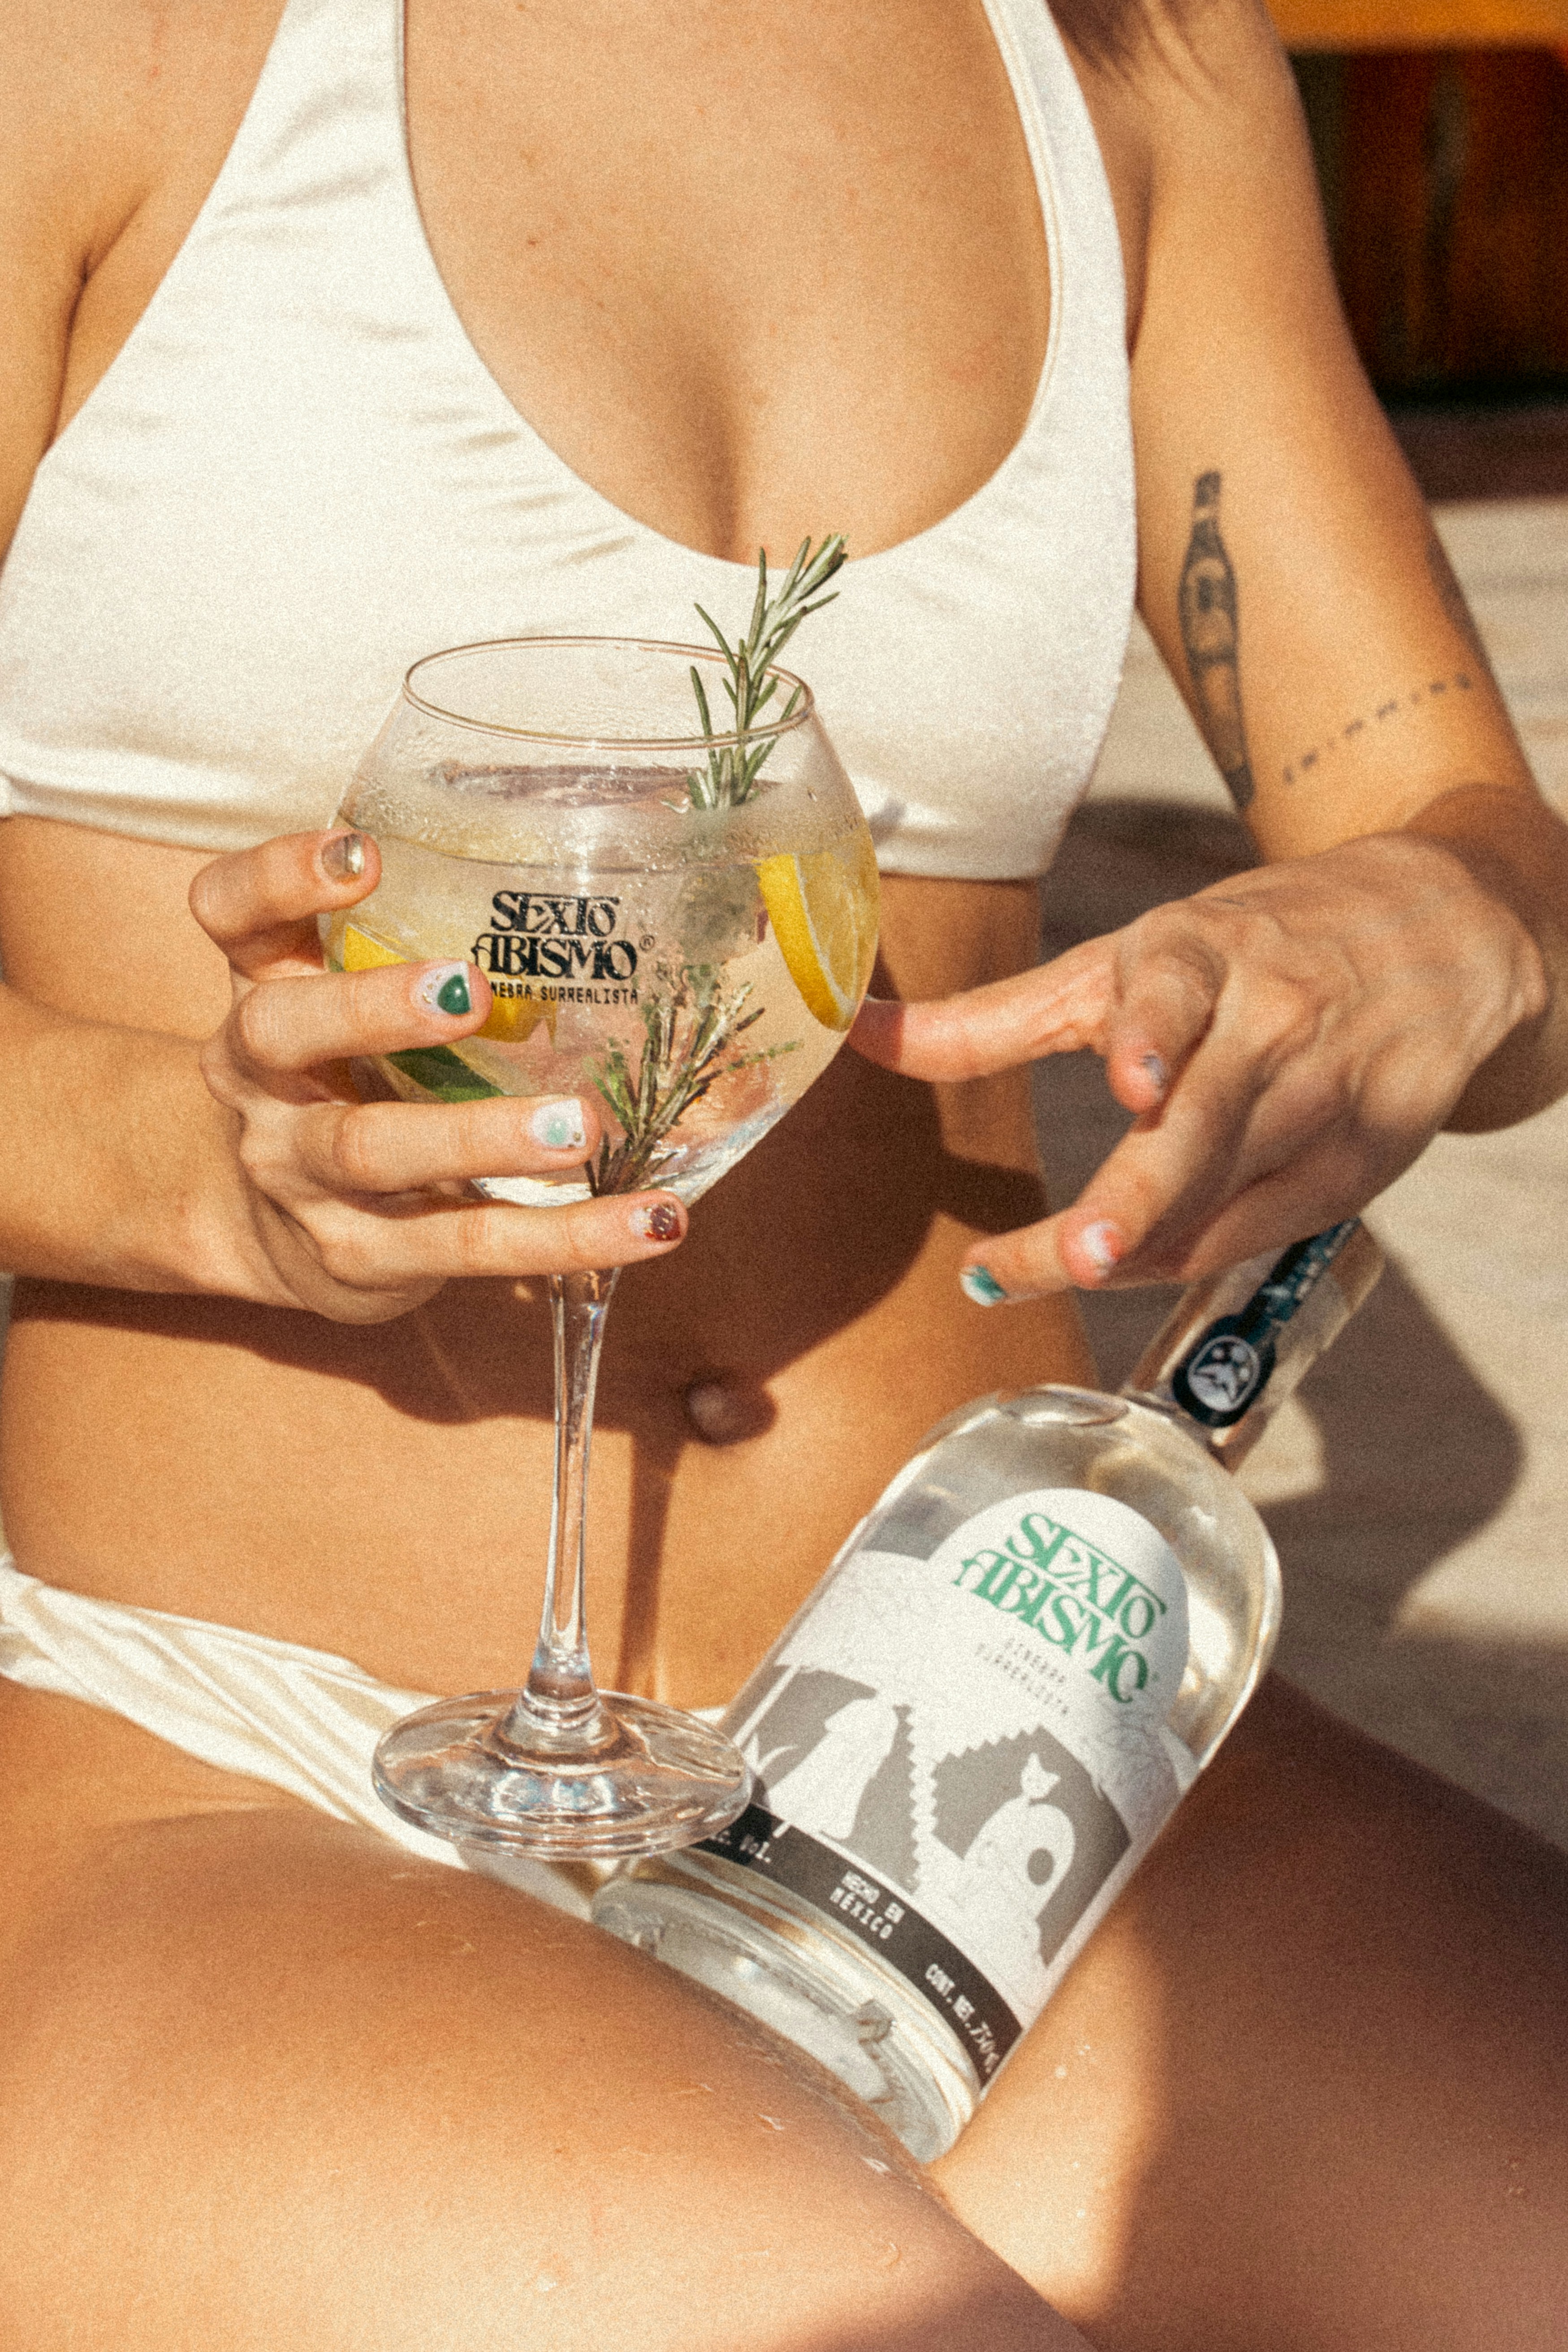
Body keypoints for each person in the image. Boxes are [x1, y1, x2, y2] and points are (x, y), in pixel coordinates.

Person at [1, 0, 1566, 2342]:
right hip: (233, 1759)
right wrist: (193, 1165)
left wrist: (1448, 924)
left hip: (1003, 1756)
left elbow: (1474, 845)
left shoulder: (1130, 67)